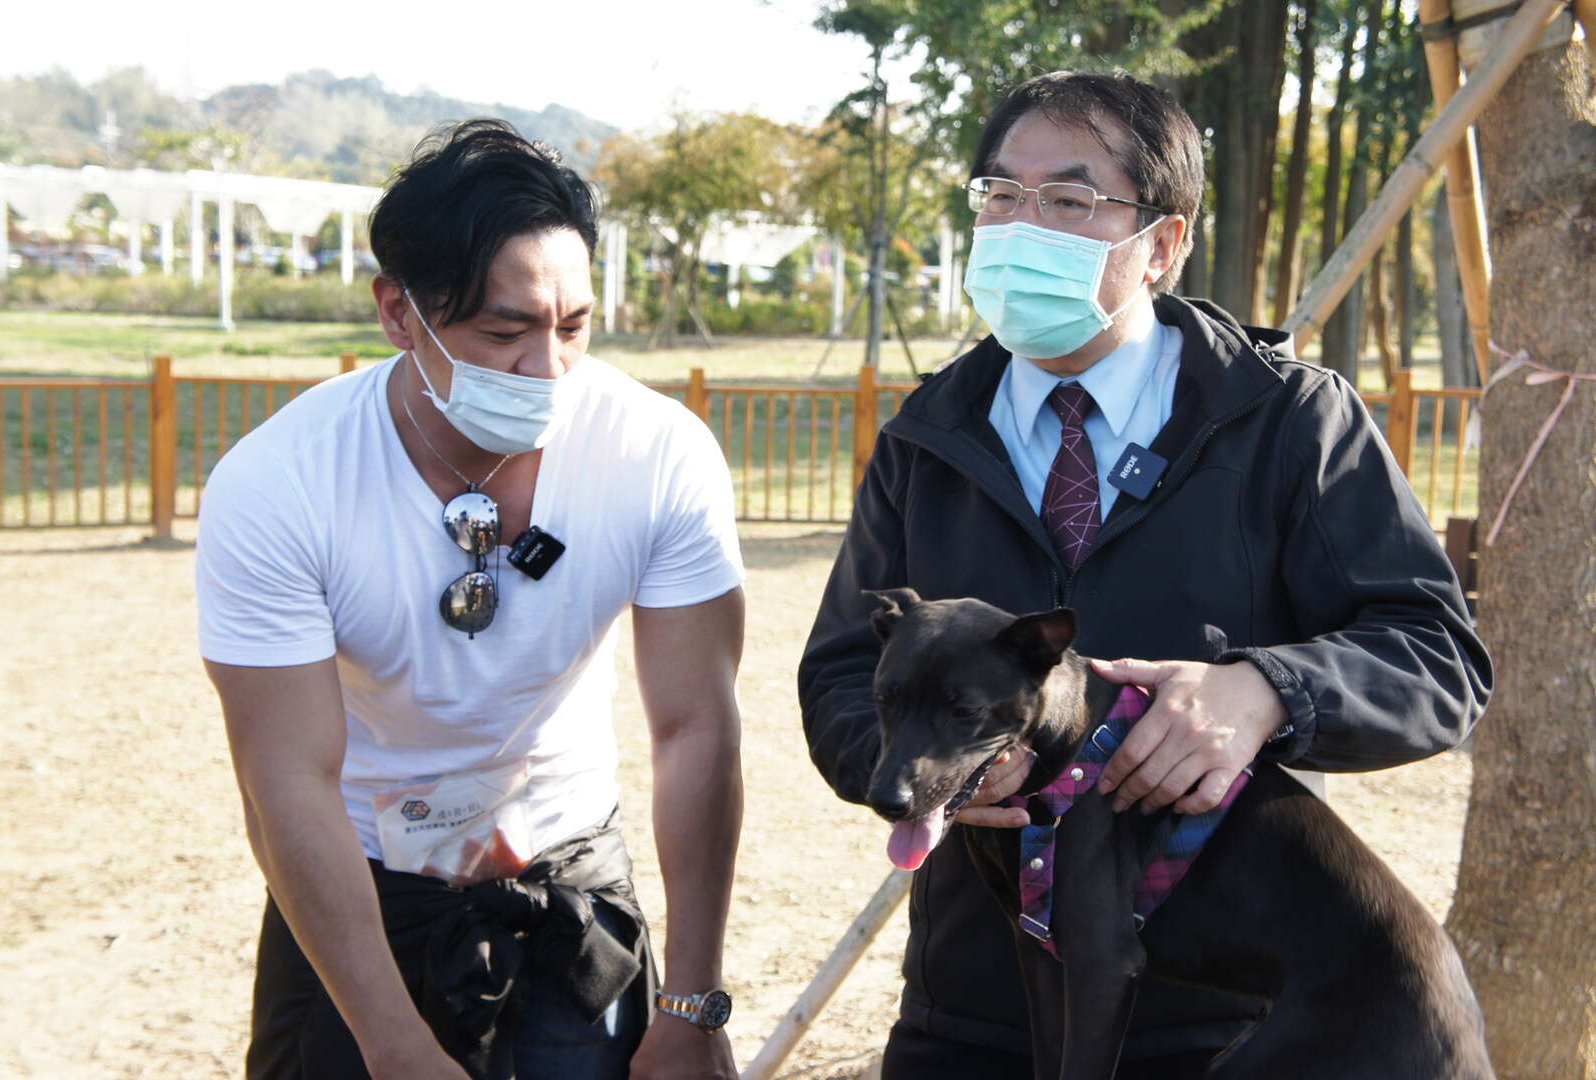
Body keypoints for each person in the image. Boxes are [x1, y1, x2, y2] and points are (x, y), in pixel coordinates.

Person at [798, 71, 1491, 1078]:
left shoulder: (1287, 422)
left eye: (1069, 201)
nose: (1020, 225)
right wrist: (920, 766)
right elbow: (835, 678)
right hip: (980, 1005)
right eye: (1001, 195)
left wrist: (1266, 691)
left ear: (1162, 245)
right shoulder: (928, 435)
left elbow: (1437, 656)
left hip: (1236, 1021)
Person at [197, 120, 744, 1080]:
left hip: (570, 880)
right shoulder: (281, 481)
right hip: (359, 896)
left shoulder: (658, 452)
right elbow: (286, 779)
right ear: (398, 312)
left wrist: (691, 1003)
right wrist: (391, 1041)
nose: (547, 368)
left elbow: (697, 724)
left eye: (573, 326)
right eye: (504, 331)